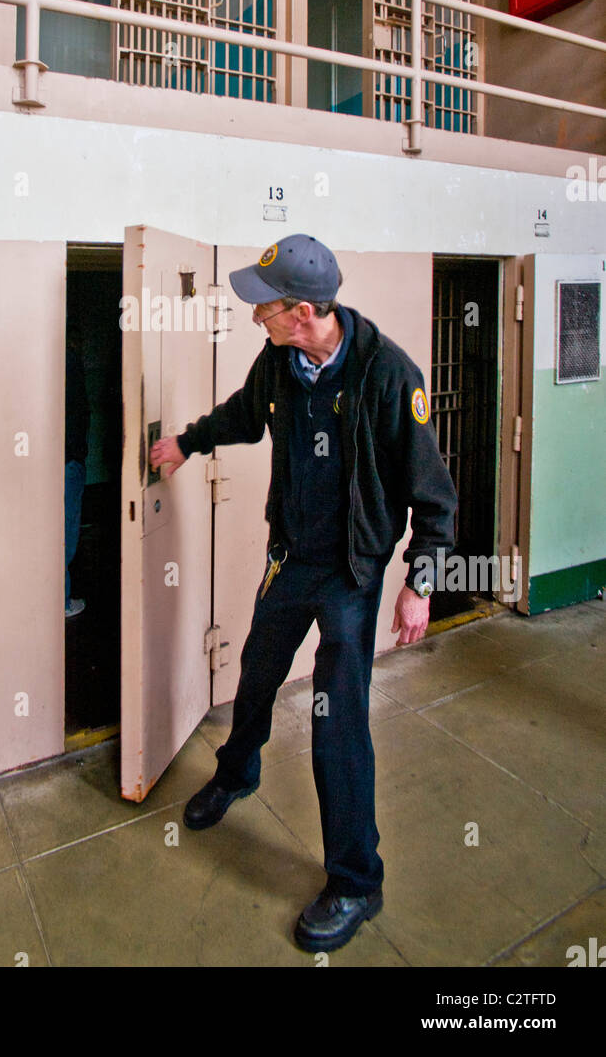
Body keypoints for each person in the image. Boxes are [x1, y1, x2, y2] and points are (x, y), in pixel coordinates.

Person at [149, 234, 457, 953]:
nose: (256, 316)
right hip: (292, 560)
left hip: (353, 572)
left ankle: (356, 881)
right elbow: (241, 414)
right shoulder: (282, 365)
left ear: (304, 312)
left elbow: (434, 496)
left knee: (335, 721)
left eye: (266, 308)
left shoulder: (389, 377)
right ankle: (237, 773)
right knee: (255, 673)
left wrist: (422, 579)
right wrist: (188, 443)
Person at [64, 325, 90, 618]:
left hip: (63, 458)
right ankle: (62, 600)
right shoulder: (69, 363)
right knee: (67, 529)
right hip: (69, 459)